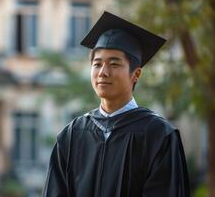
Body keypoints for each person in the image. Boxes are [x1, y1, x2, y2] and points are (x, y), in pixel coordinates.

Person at [42, 11, 190, 197]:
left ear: (136, 74)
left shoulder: (159, 135)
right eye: (97, 64)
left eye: (114, 64)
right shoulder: (71, 135)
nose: (103, 72)